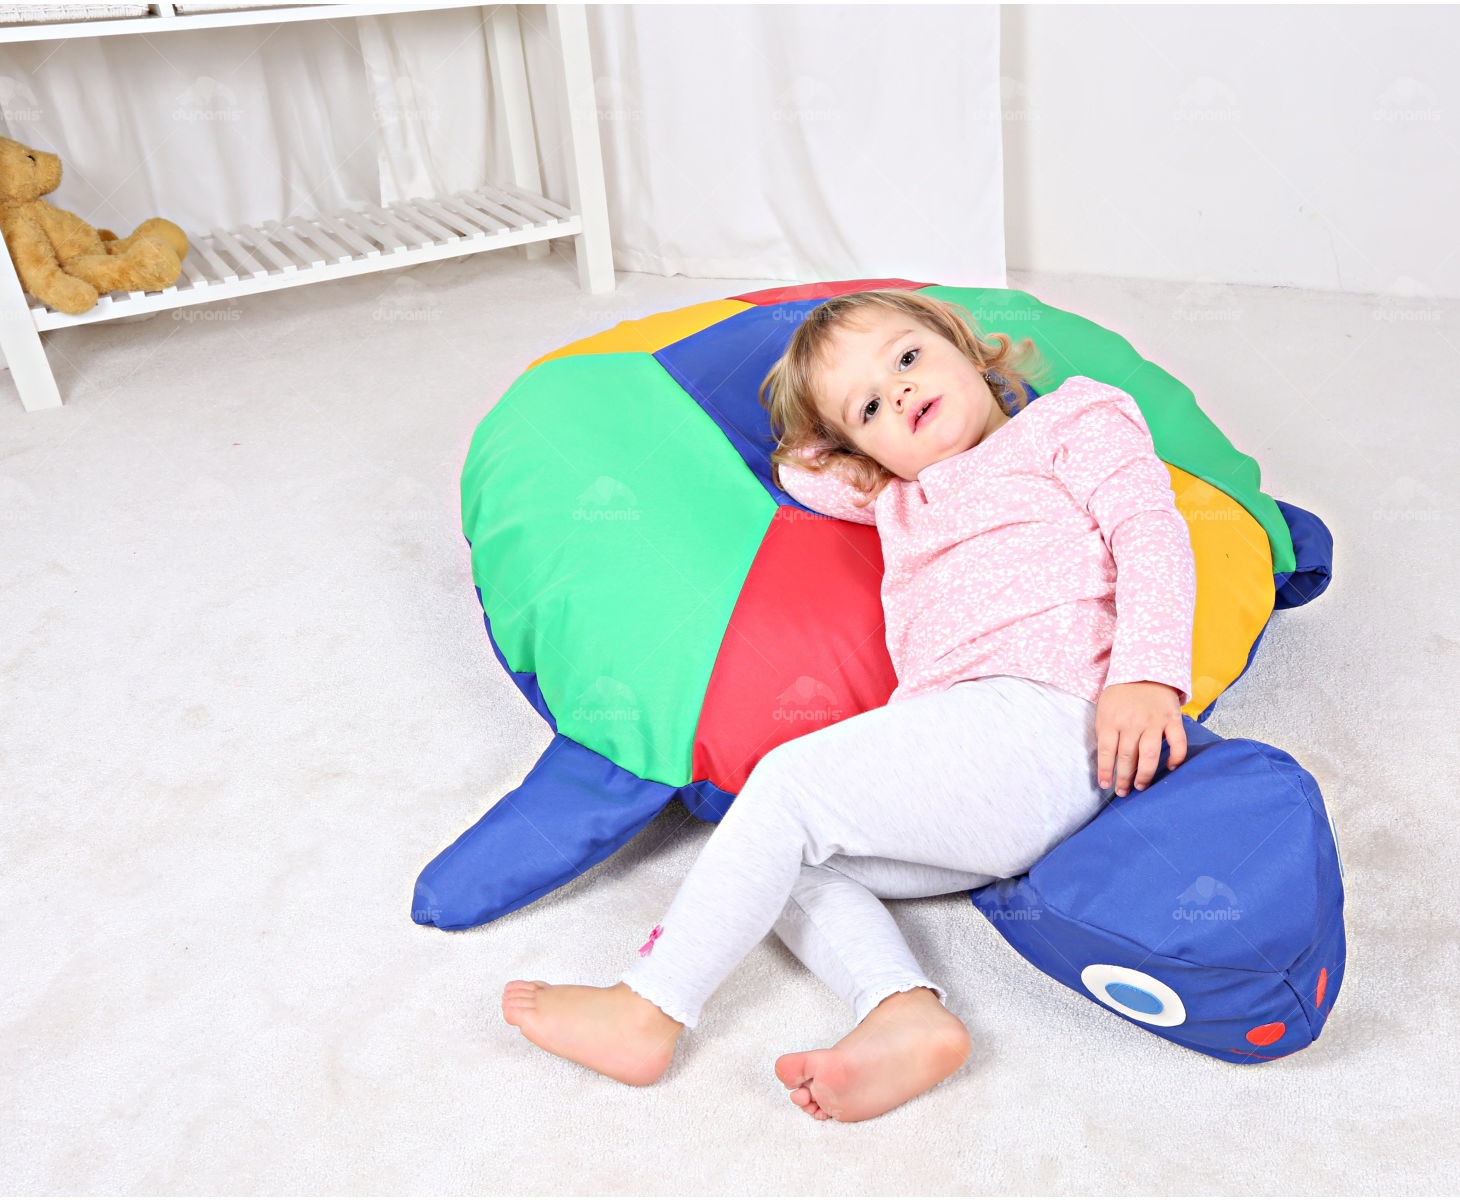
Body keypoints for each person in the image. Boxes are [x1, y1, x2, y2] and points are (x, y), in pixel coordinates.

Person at [502, 289, 1197, 1123]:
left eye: (908, 358)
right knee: (779, 855)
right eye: (869, 408)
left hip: (1051, 719)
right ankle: (900, 1008)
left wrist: (1146, 674)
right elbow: (800, 468)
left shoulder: (1071, 419)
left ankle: (649, 1006)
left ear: (964, 343)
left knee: (787, 784)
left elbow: (1151, 530)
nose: (899, 392)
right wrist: (831, 398)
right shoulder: (897, 498)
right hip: (972, 781)